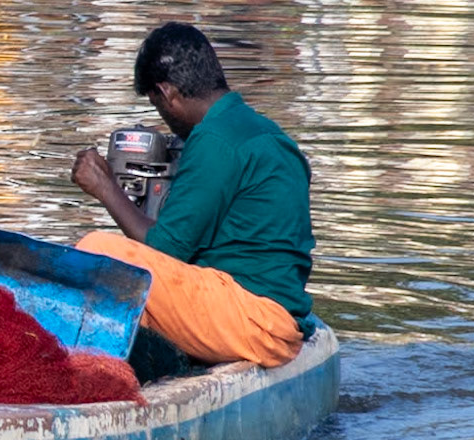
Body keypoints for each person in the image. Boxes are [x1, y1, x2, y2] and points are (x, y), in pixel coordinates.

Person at [69, 21, 315, 368]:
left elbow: (161, 250)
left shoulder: (214, 140)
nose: (165, 121)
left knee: (98, 249)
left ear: (167, 93)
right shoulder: (263, 131)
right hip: (276, 317)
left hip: (255, 321)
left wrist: (105, 187)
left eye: (157, 106)